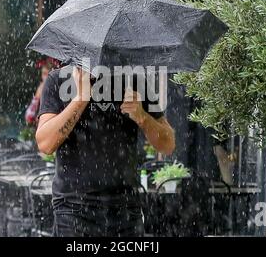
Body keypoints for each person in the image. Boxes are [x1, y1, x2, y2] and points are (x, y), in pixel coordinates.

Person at [36, 65, 175, 237]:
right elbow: (45, 143)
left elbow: (168, 144)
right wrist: (80, 99)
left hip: (125, 210)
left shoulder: (133, 81)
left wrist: (142, 117)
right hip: (73, 209)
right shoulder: (60, 79)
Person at [25, 57, 60, 125]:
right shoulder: (40, 89)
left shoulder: (58, 91)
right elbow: (29, 117)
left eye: (48, 74)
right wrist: (37, 97)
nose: (45, 78)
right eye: (44, 74)